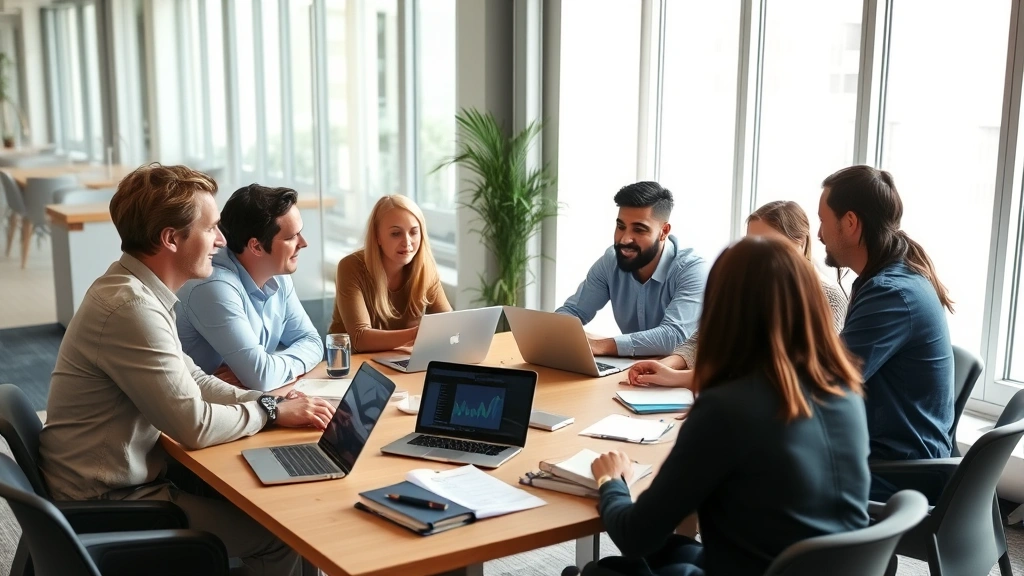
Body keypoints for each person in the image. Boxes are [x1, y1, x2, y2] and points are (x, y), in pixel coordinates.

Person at [38, 164, 336, 576]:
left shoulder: (134, 290)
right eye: (211, 228)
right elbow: (192, 426)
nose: (220, 239)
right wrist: (269, 411)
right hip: (112, 501)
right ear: (171, 239)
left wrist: (269, 401)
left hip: (125, 479)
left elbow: (193, 380)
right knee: (280, 535)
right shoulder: (131, 308)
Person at [583, 236, 870, 576]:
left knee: (603, 570)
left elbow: (635, 536)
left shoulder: (728, 409)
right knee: (673, 552)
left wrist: (611, 481)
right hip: (815, 567)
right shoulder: (843, 389)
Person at [817, 165, 954, 501]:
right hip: (894, 450)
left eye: (823, 220)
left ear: (850, 223)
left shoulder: (891, 292)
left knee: (757, 468)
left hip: (900, 471)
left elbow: (826, 378)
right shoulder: (891, 273)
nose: (819, 233)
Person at [626, 200, 847, 388]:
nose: (756, 255)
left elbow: (784, 375)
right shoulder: (748, 284)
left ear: (801, 242)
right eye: (750, 244)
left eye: (767, 244)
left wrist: (679, 378)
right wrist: (668, 365)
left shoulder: (829, 298)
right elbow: (701, 339)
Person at [176, 184, 324, 392]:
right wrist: (260, 372)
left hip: (244, 402)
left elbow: (313, 342)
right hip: (201, 413)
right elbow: (262, 378)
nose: (303, 243)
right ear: (256, 246)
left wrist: (267, 364)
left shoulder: (277, 274)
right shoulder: (212, 287)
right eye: (291, 237)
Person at [555, 182, 709, 357]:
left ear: (663, 231)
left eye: (639, 230)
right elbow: (574, 311)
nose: (625, 239)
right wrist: (556, 333)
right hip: (633, 370)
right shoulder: (611, 261)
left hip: (684, 377)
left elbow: (673, 336)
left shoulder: (692, 270)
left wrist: (602, 345)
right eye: (621, 226)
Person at [329, 194, 451, 352]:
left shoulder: (425, 268)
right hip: (352, 366)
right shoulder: (351, 267)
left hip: (400, 360)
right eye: (396, 233)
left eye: (414, 232)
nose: (407, 242)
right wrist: (417, 335)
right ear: (377, 236)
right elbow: (359, 338)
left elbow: (449, 323)